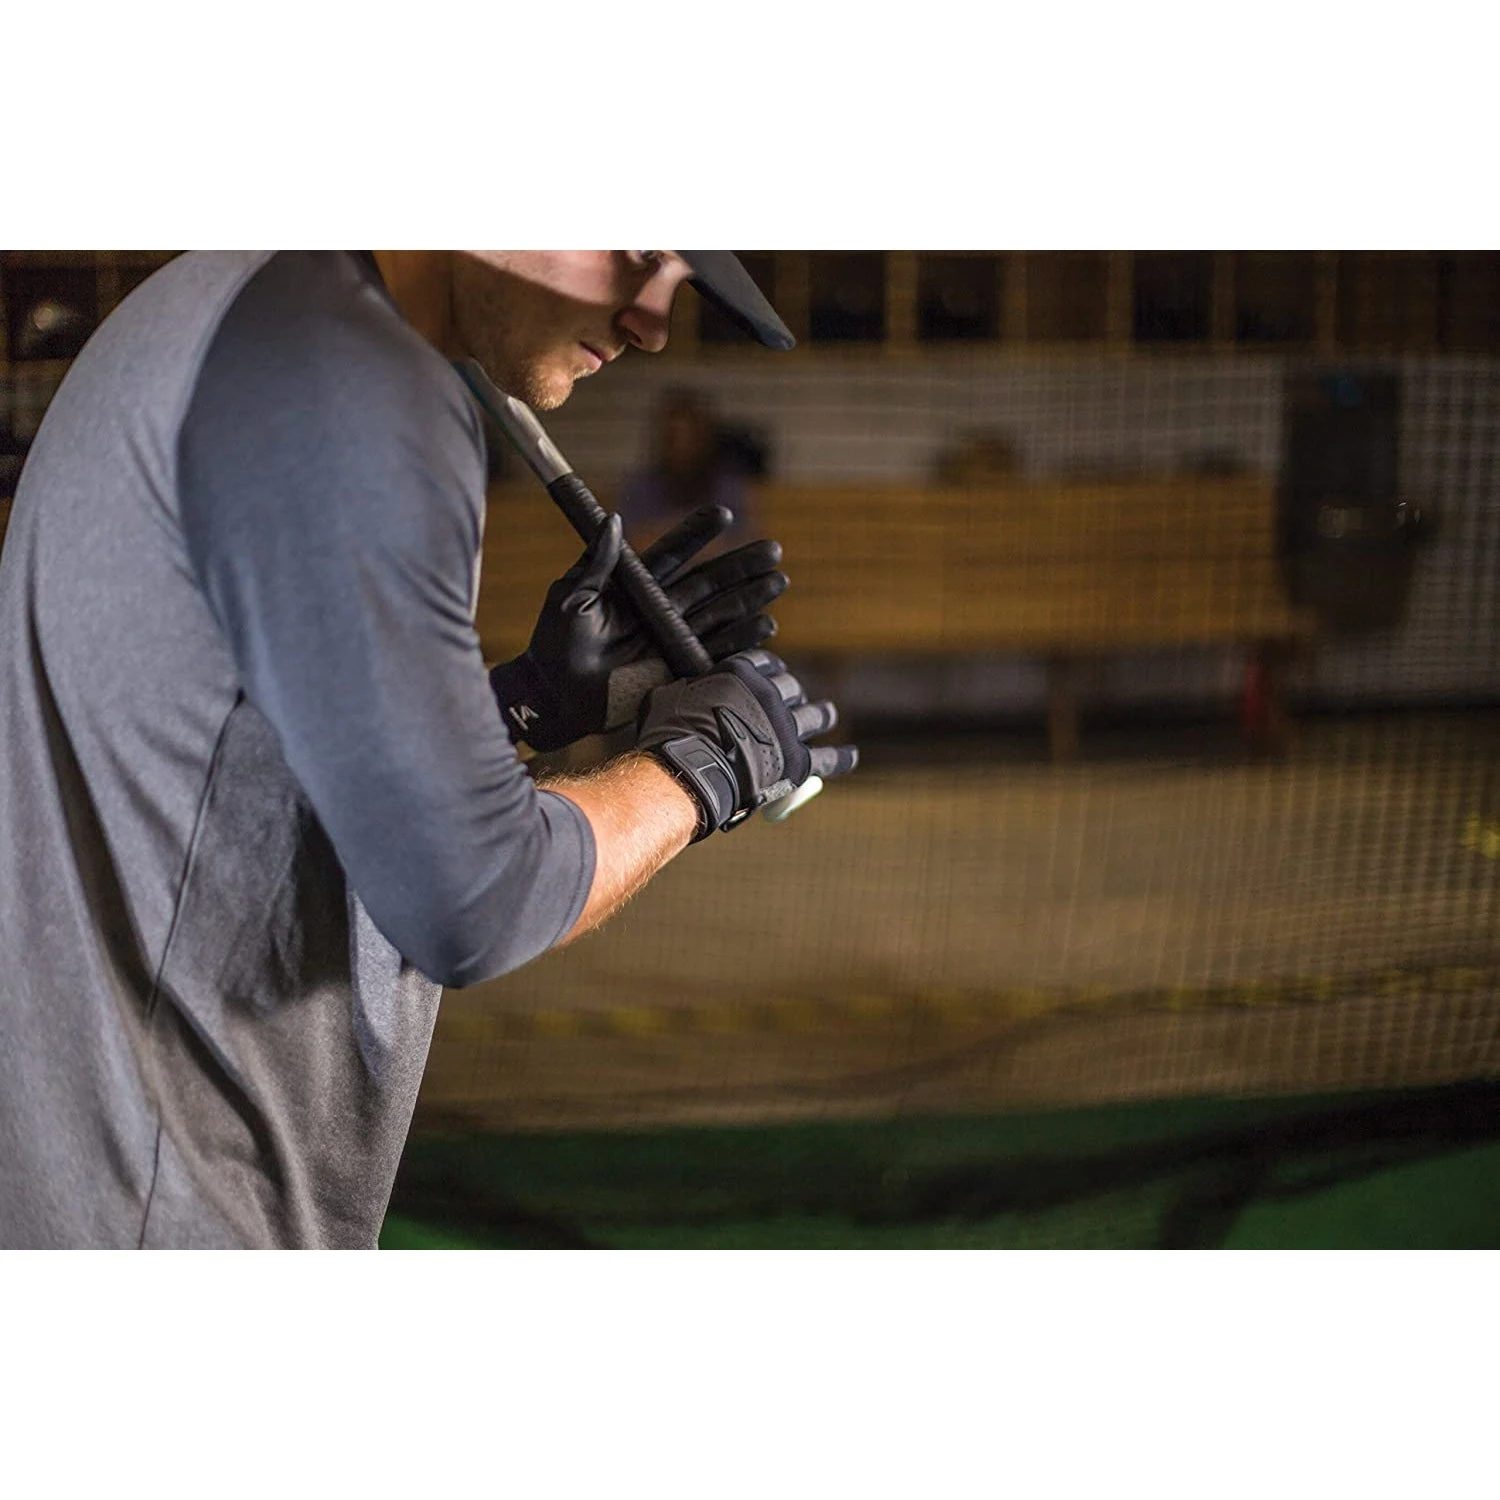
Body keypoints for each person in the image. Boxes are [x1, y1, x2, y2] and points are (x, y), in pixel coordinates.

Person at [0, 251, 857, 1249]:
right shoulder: (353, 383)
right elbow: (472, 900)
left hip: (100, 1170)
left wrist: (523, 706)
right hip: (165, 1204)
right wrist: (705, 767)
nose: (652, 324)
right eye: (635, 250)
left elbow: (250, 779)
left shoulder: (238, 300)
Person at [616, 386, 758, 553]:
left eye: (689, 437)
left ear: (704, 439)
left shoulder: (729, 487)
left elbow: (735, 544)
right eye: (674, 438)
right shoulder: (640, 488)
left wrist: (666, 535)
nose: (681, 447)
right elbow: (634, 543)